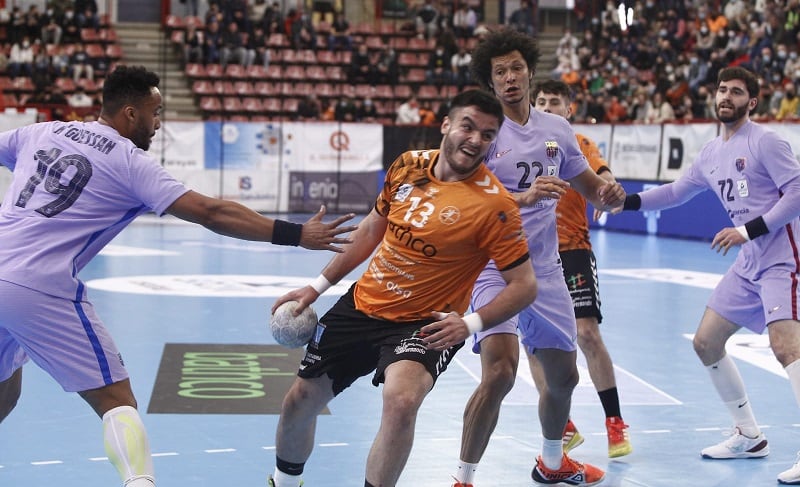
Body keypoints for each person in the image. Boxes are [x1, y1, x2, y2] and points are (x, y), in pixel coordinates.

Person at [0, 65, 357, 487]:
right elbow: (212, 212)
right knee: (116, 401)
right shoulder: (128, 161)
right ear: (130, 114)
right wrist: (297, 234)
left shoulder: (40, 132)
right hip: (38, 284)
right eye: (155, 112)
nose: (158, 123)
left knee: (6, 387)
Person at [267, 89, 537, 487]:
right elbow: (372, 230)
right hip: (363, 305)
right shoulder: (408, 165)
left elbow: (524, 286)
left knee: (402, 400)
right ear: (446, 125)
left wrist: (470, 323)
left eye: (487, 133)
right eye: (468, 126)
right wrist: (316, 287)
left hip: (425, 324)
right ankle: (284, 481)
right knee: (299, 402)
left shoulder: (494, 206)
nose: (476, 139)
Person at [452, 27, 626, 487]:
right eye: (499, 72)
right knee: (501, 372)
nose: (509, 78)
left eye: (515, 68)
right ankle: (463, 478)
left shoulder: (557, 129)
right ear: (490, 83)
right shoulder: (483, 132)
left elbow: (589, 186)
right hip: (494, 267)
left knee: (565, 378)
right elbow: (464, 200)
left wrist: (609, 195)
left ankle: (552, 464)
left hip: (546, 271)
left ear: (529, 71)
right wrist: (522, 199)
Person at [615, 65, 800, 485]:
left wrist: (746, 230)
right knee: (706, 341)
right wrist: (625, 202)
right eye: (721, 90)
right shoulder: (711, 153)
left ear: (751, 102)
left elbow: (798, 192)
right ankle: (749, 435)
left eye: (736, 92)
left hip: (781, 257)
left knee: (787, 347)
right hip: (749, 261)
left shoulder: (766, 141)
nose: (726, 97)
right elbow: (676, 192)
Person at [530, 79, 632, 459]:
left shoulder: (579, 144)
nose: (546, 107)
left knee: (587, 334)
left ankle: (614, 422)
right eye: (540, 101)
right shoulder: (520, 142)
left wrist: (610, 188)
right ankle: (563, 424)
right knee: (535, 344)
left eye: (554, 102)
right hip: (528, 255)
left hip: (571, 251)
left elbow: (603, 176)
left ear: (568, 110)